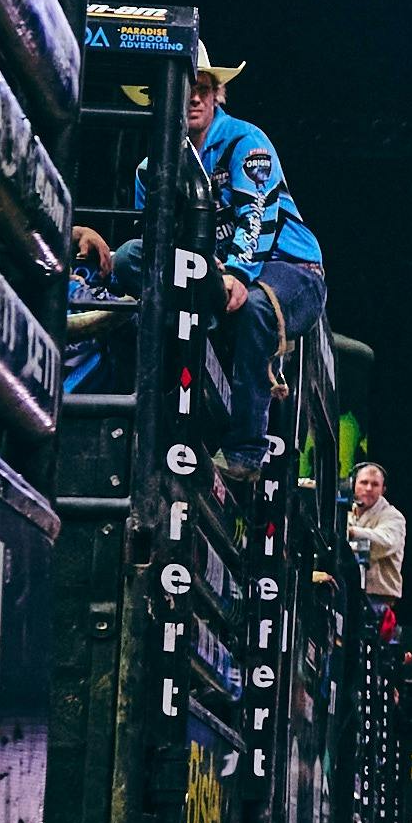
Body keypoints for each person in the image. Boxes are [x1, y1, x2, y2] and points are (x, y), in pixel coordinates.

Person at [74, 42, 326, 495]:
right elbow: (154, 241)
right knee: (132, 254)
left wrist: (238, 274)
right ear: (162, 99)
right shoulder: (150, 170)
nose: (193, 96)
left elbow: (257, 212)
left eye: (204, 87)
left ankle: (247, 449)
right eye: (185, 87)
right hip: (208, 270)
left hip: (291, 267)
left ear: (216, 96)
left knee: (253, 311)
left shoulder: (246, 141)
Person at [348, 460, 406, 641]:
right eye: (363, 482)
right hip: (346, 594)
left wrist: (350, 532)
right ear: (353, 484)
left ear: (383, 490)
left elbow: (384, 542)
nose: (368, 488)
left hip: (376, 603)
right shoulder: (345, 512)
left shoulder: (393, 517)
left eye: (375, 484)